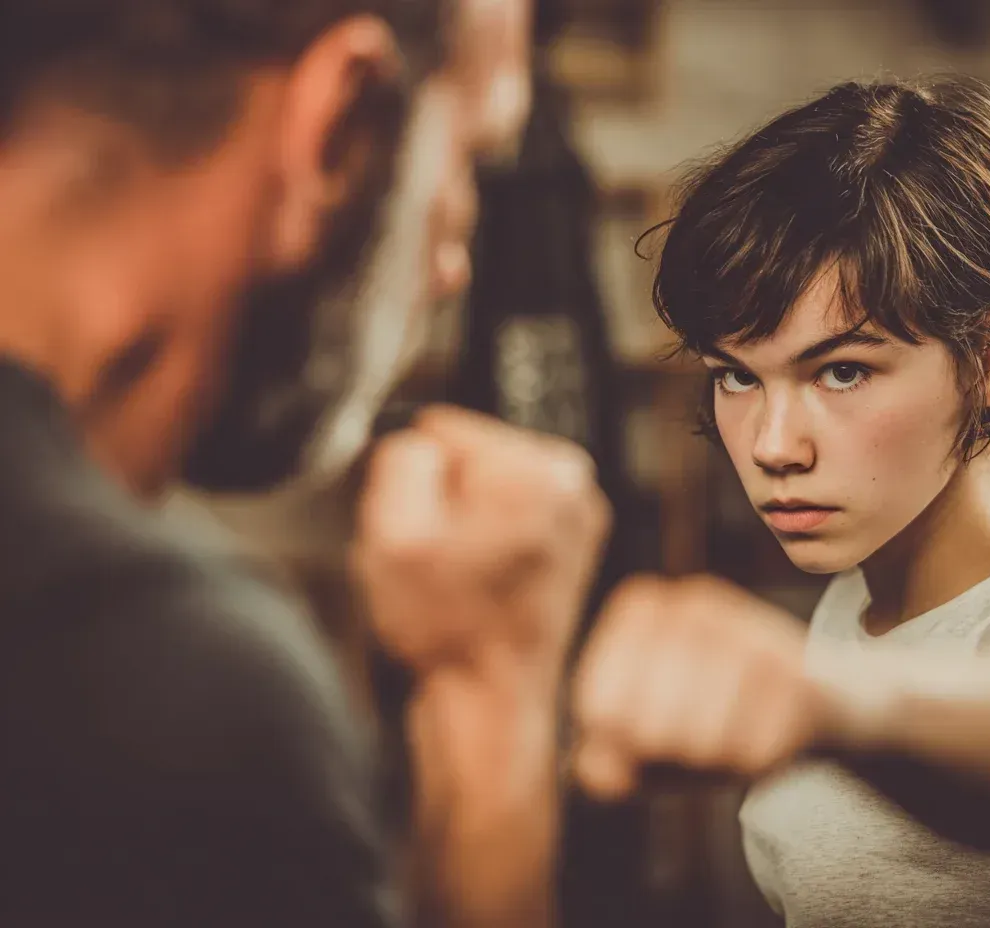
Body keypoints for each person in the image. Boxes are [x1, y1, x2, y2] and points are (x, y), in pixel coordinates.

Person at [0, 3, 608, 928]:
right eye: (466, 162)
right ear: (341, 131)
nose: (451, 268)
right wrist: (489, 708)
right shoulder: (161, 689)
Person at [569, 76, 990, 927]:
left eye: (842, 371)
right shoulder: (855, 600)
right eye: (738, 376)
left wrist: (827, 701)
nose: (773, 446)